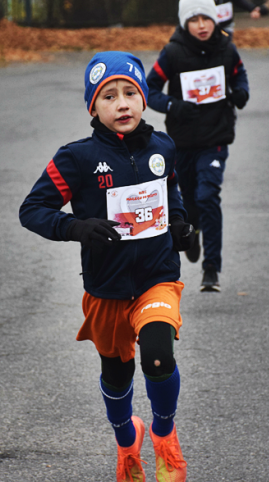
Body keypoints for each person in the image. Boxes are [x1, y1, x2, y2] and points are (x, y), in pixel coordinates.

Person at [19, 51, 195, 482]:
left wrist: (180, 224)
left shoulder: (163, 147)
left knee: (156, 356)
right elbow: (33, 209)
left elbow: (173, 196)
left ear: (144, 99)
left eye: (131, 93)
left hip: (157, 277)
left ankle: (164, 437)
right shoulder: (75, 159)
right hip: (107, 287)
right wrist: (75, 227)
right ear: (93, 107)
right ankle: (125, 443)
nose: (123, 104)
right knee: (116, 376)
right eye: (110, 96)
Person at [146, 0, 250, 293]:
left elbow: (240, 76)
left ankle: (211, 268)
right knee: (189, 202)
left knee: (207, 195)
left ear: (216, 19)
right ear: (184, 23)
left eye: (207, 17)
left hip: (215, 137)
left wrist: (241, 93)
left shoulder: (226, 49)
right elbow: (150, 89)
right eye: (195, 19)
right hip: (182, 140)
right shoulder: (173, 52)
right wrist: (172, 105)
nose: (202, 25)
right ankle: (192, 233)